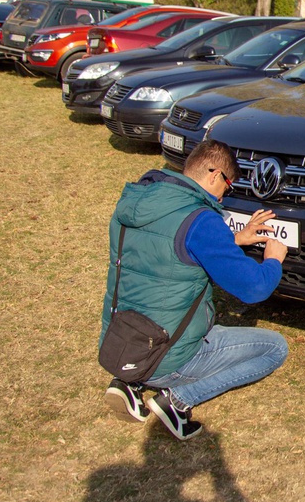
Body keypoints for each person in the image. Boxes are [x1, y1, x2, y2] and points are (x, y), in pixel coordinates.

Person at [99, 140, 289, 440]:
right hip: (167, 354)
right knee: (275, 348)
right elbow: (255, 289)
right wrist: (273, 260)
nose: (225, 193)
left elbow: (172, 251)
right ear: (214, 175)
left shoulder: (136, 203)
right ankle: (176, 400)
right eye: (228, 184)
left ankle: (130, 379)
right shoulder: (201, 221)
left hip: (119, 340)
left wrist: (235, 239)